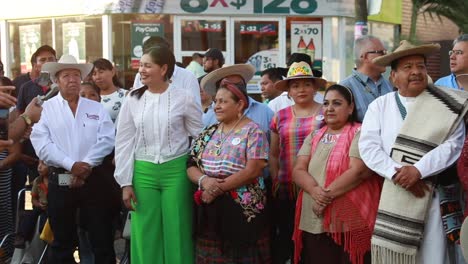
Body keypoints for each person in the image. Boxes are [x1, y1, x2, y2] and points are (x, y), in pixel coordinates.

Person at [359, 40, 468, 264]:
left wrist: (418, 171)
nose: (416, 72)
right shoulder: (380, 106)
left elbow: (453, 145)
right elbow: (368, 146)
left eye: (421, 66)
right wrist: (398, 173)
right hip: (394, 191)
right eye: (408, 67)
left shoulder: (447, 104)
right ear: (393, 76)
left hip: (432, 192)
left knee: (434, 255)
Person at [114, 45, 203, 264]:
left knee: (178, 229)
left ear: (163, 69)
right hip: (143, 172)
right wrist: (125, 182)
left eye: (147, 65)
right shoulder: (132, 99)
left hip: (177, 171)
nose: (141, 70)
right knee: (145, 232)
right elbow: (124, 141)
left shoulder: (184, 98)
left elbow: (200, 136)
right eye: (140, 65)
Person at [30, 54, 116, 263]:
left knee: (101, 239)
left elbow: (107, 138)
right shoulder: (47, 109)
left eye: (76, 75)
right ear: (56, 81)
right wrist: (71, 165)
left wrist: (85, 165)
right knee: (62, 241)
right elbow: (42, 143)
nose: (72, 80)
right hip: (61, 179)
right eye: (66, 75)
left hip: (94, 179)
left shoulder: (95, 107)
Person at [292, 84, 382, 264]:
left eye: (337, 103)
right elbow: (298, 169)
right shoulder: (315, 135)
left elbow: (358, 171)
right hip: (314, 214)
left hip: (348, 218)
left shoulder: (360, 132)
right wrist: (317, 192)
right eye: (325, 103)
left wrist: (324, 196)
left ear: (350, 108)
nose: (329, 108)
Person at [187, 71, 271, 263]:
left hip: (242, 212)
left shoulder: (253, 131)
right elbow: (191, 164)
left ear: (240, 104)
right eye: (216, 101)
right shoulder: (208, 132)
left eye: (223, 102)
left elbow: (254, 169)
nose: (217, 106)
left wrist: (217, 189)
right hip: (210, 210)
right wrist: (205, 180)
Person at [268, 61, 326, 263]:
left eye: (306, 84)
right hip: (286, 188)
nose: (301, 89)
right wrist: (276, 178)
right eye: (295, 85)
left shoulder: (326, 113)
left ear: (315, 88)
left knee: (315, 239)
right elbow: (274, 153)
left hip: (318, 188)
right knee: (286, 236)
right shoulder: (280, 116)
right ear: (289, 91)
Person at [201, 64, 274, 134]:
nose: (234, 88)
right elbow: (199, 144)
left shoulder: (265, 112)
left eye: (238, 84)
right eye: (227, 84)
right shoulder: (209, 116)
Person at [132, 36, 201, 108]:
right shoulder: (140, 77)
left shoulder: (187, 77)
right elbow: (135, 107)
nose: (143, 70)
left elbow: (195, 111)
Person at [339, 36, 393, 122]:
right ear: (365, 57)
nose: (386, 56)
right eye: (381, 52)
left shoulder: (392, 85)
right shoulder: (344, 88)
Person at [13, 160, 49, 248]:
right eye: (39, 164)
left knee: (44, 221)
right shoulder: (37, 181)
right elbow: (34, 199)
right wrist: (38, 204)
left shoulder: (56, 180)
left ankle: (45, 242)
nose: (39, 167)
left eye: (43, 164)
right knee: (29, 215)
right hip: (41, 207)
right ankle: (21, 237)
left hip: (54, 208)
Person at [91, 58, 126, 123]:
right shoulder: (90, 96)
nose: (97, 77)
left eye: (101, 72)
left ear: (112, 72)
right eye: (94, 74)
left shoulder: (126, 95)